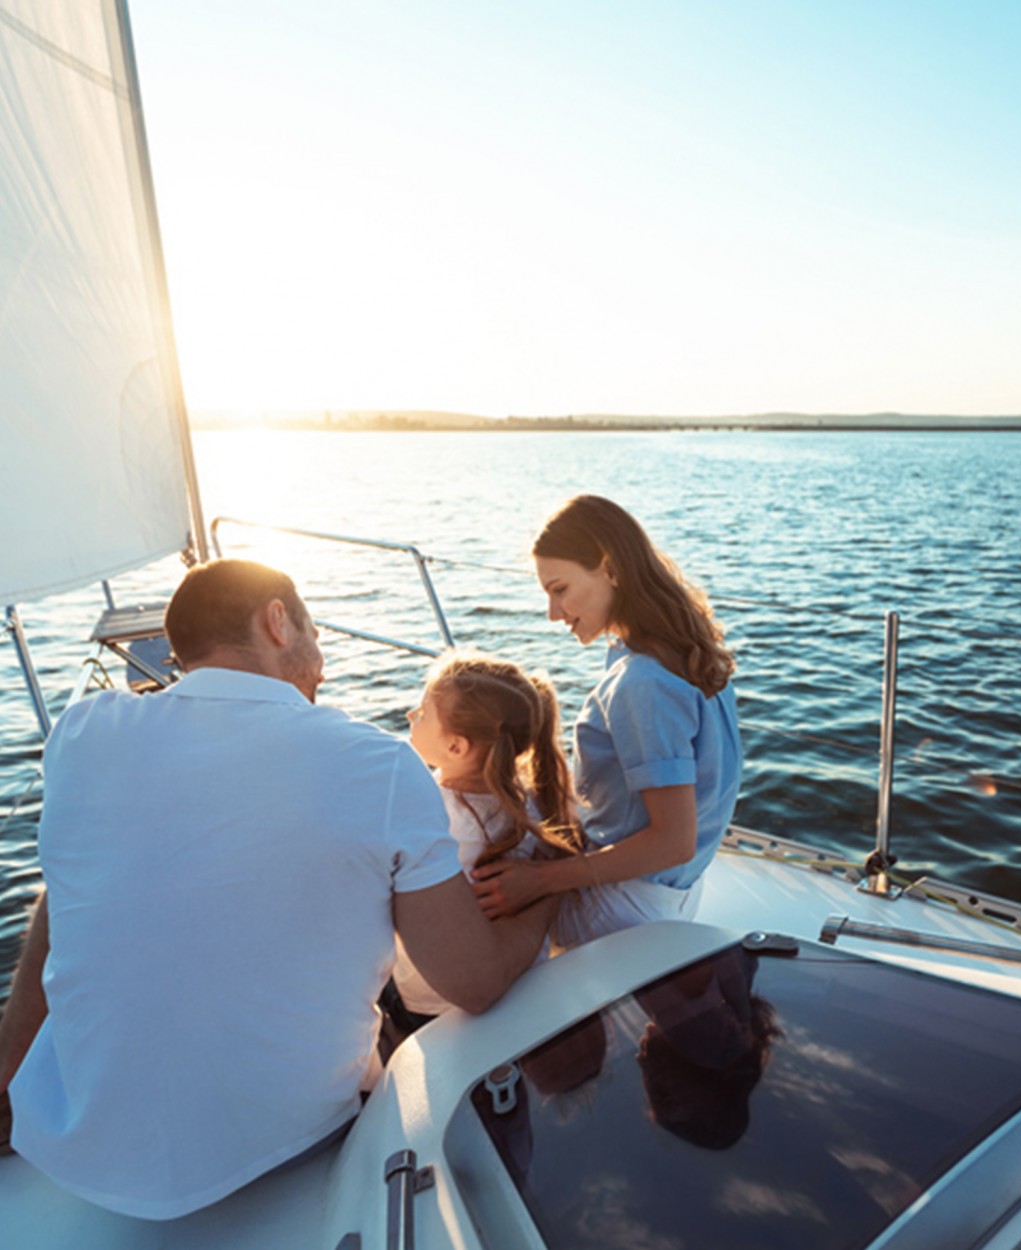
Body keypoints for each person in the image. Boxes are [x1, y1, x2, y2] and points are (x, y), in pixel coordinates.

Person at [0, 559, 552, 1221]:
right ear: (278, 620)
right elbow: (473, 980)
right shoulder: (377, 764)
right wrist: (548, 888)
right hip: (289, 1146)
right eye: (316, 632)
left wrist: (10, 1068)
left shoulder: (81, 734)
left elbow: (61, 906)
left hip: (71, 1144)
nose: (322, 663)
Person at [472, 495, 742, 946]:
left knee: (470, 880)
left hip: (622, 910)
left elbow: (672, 841)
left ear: (610, 569)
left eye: (560, 590)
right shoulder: (682, 649)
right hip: (672, 896)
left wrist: (540, 881)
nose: (553, 613)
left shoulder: (643, 681)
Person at [388, 652, 580, 1023]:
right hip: (526, 982)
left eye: (423, 711)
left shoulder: (432, 818)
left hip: (432, 1006)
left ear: (456, 747)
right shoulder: (530, 801)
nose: (412, 715)